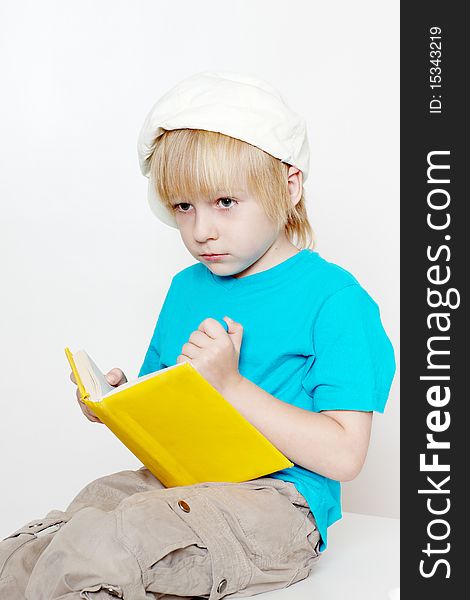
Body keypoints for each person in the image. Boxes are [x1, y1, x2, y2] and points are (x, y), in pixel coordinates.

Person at [0, 71, 396, 599]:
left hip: (277, 502)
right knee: (55, 533)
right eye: (183, 207)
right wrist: (117, 402)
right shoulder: (187, 288)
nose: (200, 230)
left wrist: (231, 385)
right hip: (182, 479)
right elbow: (169, 409)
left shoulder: (336, 299)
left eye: (225, 203)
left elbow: (346, 456)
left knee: (105, 550)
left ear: (290, 185)